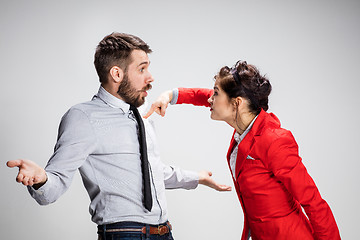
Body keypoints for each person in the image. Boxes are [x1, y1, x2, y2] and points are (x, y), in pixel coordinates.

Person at [6, 32, 231, 240]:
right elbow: (52, 189)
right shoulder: (82, 117)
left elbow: (150, 172)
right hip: (125, 234)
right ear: (116, 73)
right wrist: (41, 179)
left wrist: (197, 177)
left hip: (164, 232)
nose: (150, 77)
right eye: (142, 69)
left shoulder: (143, 114)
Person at [144, 60, 341, 240]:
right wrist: (170, 95)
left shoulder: (274, 140)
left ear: (237, 103)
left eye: (216, 93)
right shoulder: (244, 125)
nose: (210, 99)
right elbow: (203, 96)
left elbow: (313, 202)